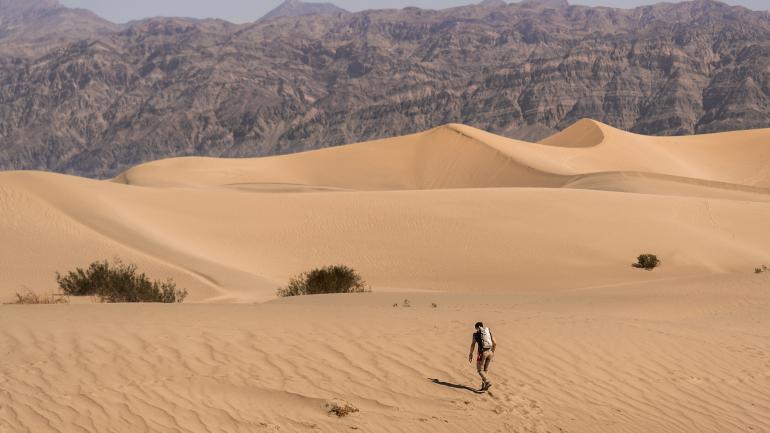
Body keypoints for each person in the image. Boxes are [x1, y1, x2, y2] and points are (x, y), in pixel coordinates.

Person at [468, 321, 497, 391]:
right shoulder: (488, 332)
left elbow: (473, 345)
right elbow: (495, 343)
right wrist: (492, 352)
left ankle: (487, 382)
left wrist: (471, 354)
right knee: (485, 370)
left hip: (482, 353)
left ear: (477, 327)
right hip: (490, 352)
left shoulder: (475, 334)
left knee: (480, 370)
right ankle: (483, 387)